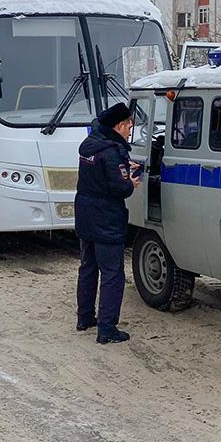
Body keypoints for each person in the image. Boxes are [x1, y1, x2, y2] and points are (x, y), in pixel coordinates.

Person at [75, 102, 141, 345]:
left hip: (86, 215)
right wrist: (130, 182)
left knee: (88, 267)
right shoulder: (112, 151)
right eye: (129, 126)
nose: (130, 130)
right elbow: (119, 188)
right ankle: (107, 328)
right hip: (107, 219)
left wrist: (123, 167)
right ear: (119, 125)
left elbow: (103, 172)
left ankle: (84, 317)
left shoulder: (90, 146)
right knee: (113, 273)